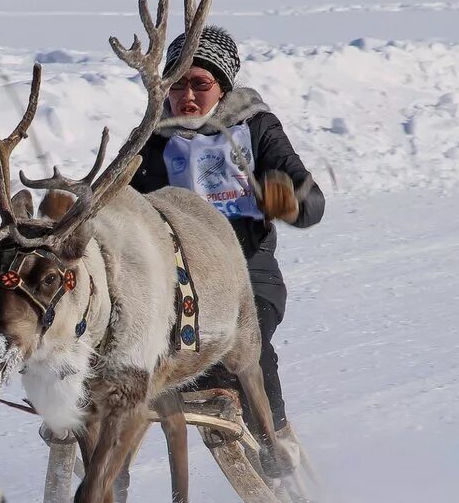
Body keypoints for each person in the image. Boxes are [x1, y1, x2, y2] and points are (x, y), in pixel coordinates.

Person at [130, 24, 325, 443]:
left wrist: (287, 202)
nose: (187, 96)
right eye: (176, 84)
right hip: (177, 284)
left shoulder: (254, 128)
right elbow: (116, 202)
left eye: (200, 83)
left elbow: (312, 202)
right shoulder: (150, 137)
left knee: (245, 347)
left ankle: (277, 443)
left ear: (222, 86)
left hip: (250, 276)